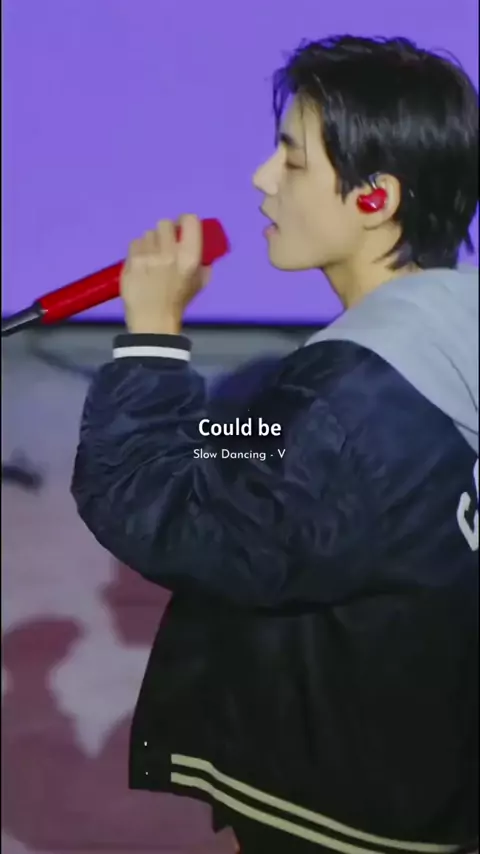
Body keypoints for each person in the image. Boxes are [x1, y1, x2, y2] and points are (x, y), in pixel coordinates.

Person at [71, 36, 479, 854]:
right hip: (427, 772)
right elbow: (272, 447)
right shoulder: (444, 330)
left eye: (291, 160)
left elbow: (151, 506)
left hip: (341, 811)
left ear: (375, 199)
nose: (263, 178)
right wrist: (204, 429)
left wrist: (151, 337)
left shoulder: (349, 400)